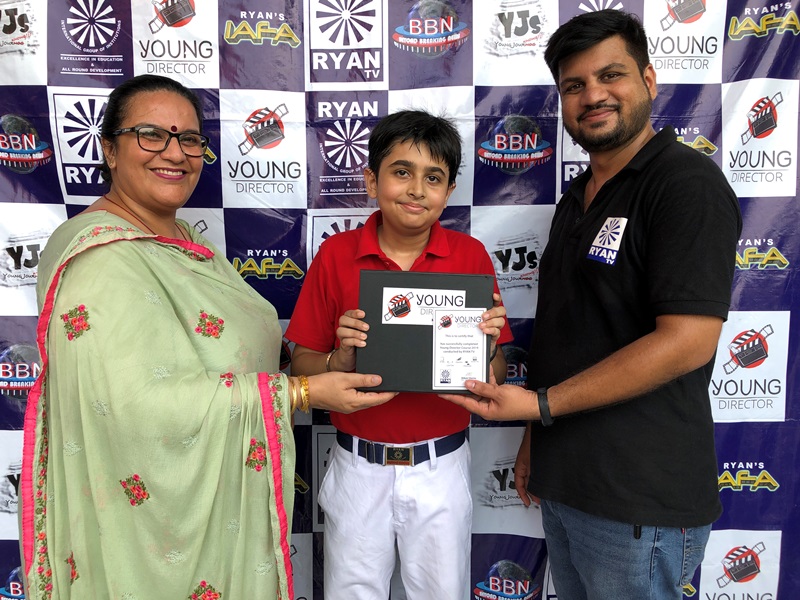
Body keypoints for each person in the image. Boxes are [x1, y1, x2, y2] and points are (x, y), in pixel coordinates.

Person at [18, 74, 396, 600]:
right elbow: (133, 406)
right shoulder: (99, 260)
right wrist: (301, 393)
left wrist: (330, 365)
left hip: (219, 509)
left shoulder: (180, 239)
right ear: (109, 149)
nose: (175, 153)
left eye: (189, 139)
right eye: (151, 134)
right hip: (153, 538)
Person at [441, 10, 742, 600]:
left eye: (611, 76)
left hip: (639, 501)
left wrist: (542, 405)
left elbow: (688, 341)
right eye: (574, 86)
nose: (593, 96)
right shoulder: (577, 197)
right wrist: (537, 433)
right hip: (569, 483)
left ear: (649, 80)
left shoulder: (685, 184)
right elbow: (568, 330)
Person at [285, 110, 513, 599]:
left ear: (448, 192)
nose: (416, 190)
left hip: (440, 467)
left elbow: (496, 371)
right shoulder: (336, 254)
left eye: (433, 178)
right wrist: (338, 362)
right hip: (357, 466)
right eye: (402, 172)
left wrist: (487, 349)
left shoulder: (470, 256)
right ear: (372, 180)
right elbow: (301, 365)